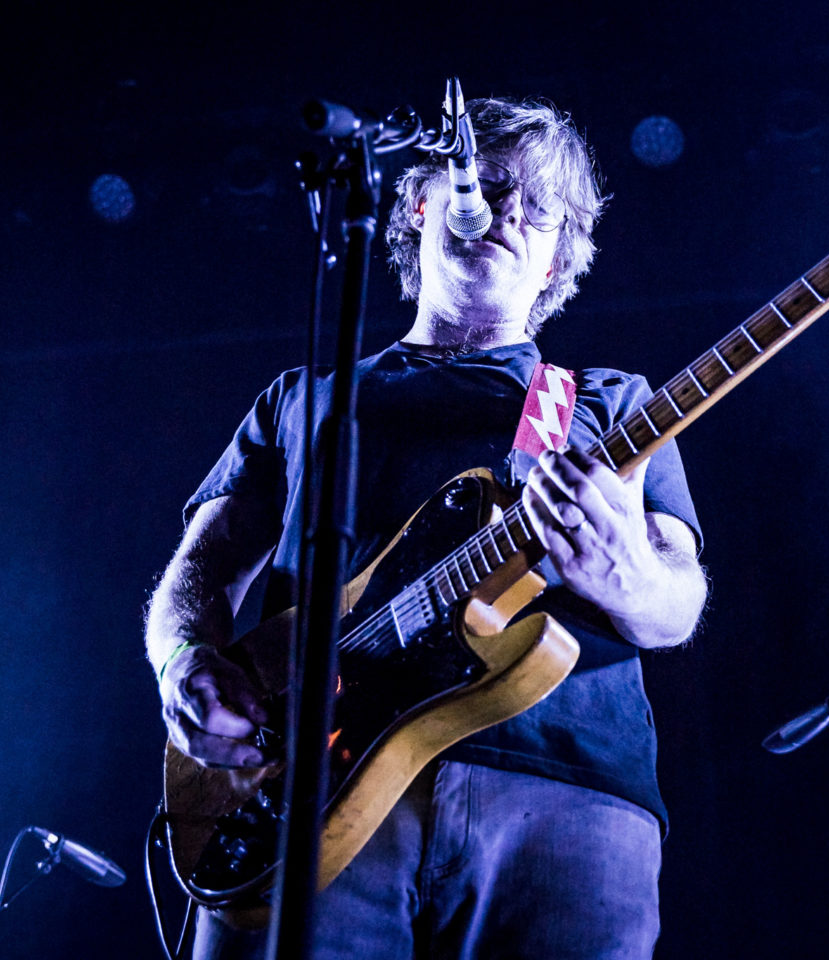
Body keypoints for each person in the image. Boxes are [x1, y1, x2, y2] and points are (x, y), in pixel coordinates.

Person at [146, 95, 708, 959]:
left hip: (562, 792)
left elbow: (674, 605)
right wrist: (185, 663)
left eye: (541, 206)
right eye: (483, 184)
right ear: (420, 205)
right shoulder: (304, 397)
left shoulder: (612, 405)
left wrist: (624, 568)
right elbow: (198, 570)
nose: (509, 210)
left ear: (561, 253)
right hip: (309, 788)